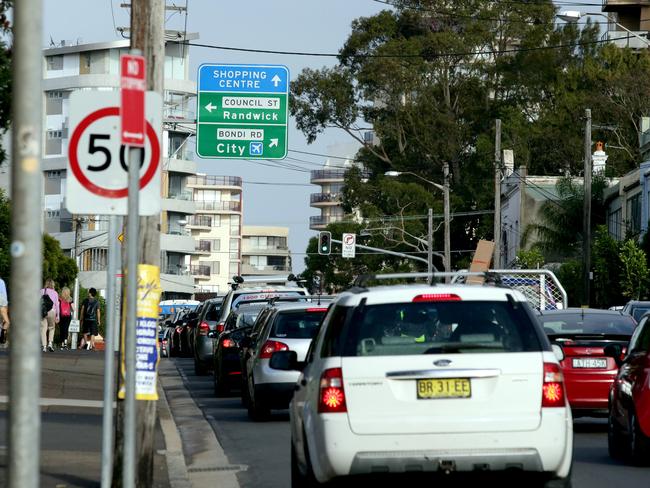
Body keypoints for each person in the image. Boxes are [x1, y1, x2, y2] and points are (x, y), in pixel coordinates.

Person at [40, 278, 59, 352]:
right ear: (53, 284)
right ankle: (50, 343)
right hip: (52, 311)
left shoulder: (41, 291)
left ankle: (44, 346)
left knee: (43, 329)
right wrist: (58, 316)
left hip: (43, 312)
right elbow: (57, 305)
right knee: (51, 327)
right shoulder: (55, 293)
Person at [0, 276, 9, 347]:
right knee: (7, 322)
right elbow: (4, 294)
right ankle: (2, 337)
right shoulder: (2, 282)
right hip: (2, 301)